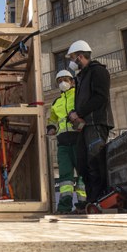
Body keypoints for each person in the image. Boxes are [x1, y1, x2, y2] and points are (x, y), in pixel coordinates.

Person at [66, 40, 114, 205]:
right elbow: (83, 101)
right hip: (85, 126)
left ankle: (98, 199)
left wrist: (79, 113)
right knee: (83, 164)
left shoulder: (98, 71)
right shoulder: (81, 77)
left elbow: (100, 97)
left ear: (80, 56)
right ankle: (91, 199)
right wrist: (73, 115)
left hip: (96, 124)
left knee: (95, 163)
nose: (71, 62)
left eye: (72, 58)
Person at [47, 70, 86, 214]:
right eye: (59, 80)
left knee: (83, 173)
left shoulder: (78, 95)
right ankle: (64, 207)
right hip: (62, 143)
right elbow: (52, 119)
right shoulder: (56, 102)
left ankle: (84, 205)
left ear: (71, 81)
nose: (62, 83)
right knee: (65, 177)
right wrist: (51, 127)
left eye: (65, 79)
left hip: (78, 139)